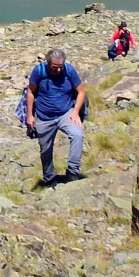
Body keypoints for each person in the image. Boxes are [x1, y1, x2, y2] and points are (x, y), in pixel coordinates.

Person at [25, 48, 86, 185]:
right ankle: (49, 179)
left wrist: (75, 112)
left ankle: (73, 172)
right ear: (48, 63)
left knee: (77, 135)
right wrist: (30, 115)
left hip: (66, 113)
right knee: (45, 150)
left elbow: (81, 92)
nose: (58, 70)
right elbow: (30, 92)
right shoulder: (39, 71)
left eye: (60, 67)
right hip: (44, 116)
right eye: (54, 67)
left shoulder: (69, 71)